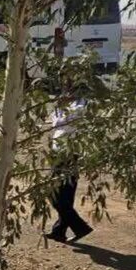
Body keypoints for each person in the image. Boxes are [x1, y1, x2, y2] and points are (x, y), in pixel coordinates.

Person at [46, 93, 93, 243]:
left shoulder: (82, 104)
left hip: (68, 154)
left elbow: (60, 123)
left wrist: (61, 107)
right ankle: (59, 231)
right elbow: (55, 120)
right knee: (64, 194)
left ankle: (80, 227)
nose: (66, 92)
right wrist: (60, 107)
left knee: (55, 195)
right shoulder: (69, 104)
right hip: (59, 152)